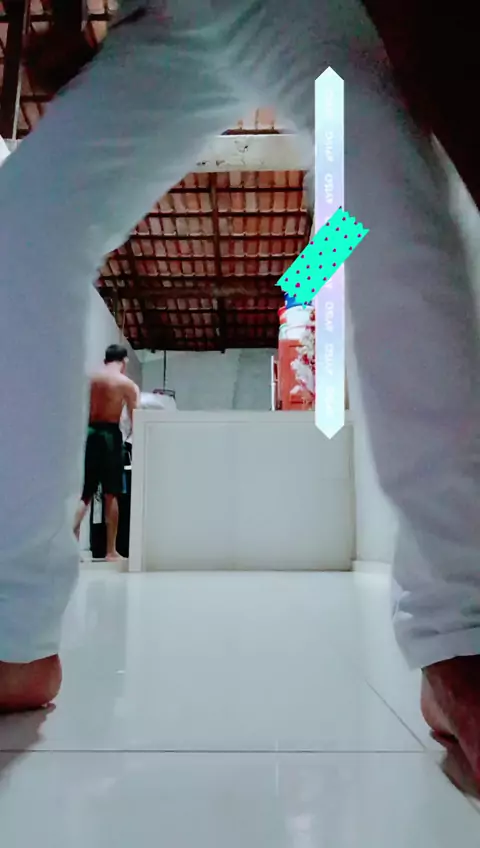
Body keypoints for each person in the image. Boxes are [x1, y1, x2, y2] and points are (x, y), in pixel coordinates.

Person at [0, 1, 478, 795]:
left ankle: (463, 625)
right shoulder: (261, 324)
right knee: (19, 226)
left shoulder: (292, 304)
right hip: (161, 18)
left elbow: (310, 291)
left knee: (379, 177)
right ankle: (13, 627)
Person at [73, 344, 139, 561]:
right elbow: (136, 418)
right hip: (110, 435)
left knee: (86, 493)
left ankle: (69, 542)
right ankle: (111, 551)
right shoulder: (126, 384)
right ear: (124, 361)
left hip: (91, 432)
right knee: (112, 492)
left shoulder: (91, 379)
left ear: (105, 360)